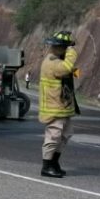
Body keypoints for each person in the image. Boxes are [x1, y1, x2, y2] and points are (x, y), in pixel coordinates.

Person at [38, 30, 80, 178]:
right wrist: (72, 54)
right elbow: (65, 68)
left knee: (66, 134)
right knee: (53, 136)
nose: (65, 50)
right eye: (65, 47)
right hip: (54, 108)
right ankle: (46, 166)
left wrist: (74, 71)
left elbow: (69, 71)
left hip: (63, 107)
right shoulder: (51, 62)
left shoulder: (58, 61)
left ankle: (54, 163)